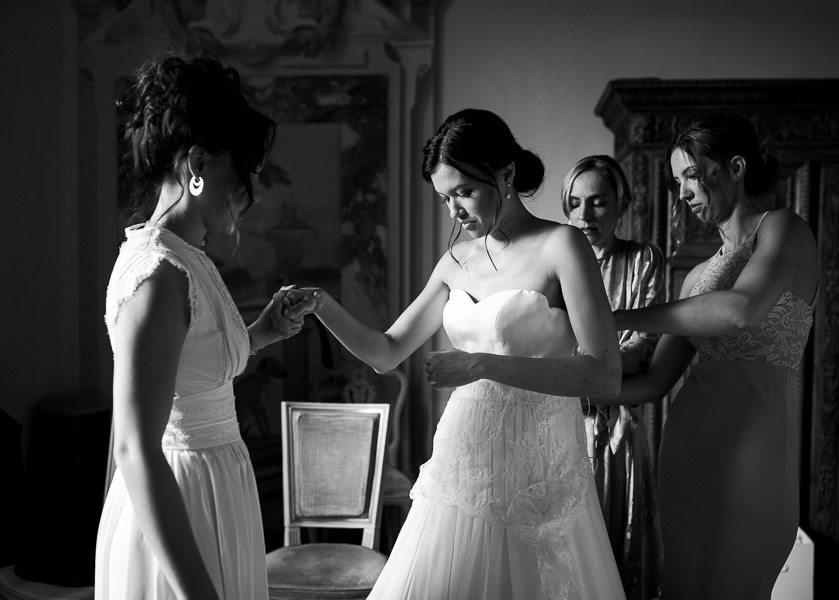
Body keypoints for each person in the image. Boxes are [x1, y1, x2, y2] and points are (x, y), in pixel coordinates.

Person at [283, 108, 627, 599]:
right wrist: (321, 305)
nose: (455, 212)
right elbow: (386, 351)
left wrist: (480, 365)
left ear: (506, 174)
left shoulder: (562, 246)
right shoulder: (454, 262)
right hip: (463, 460)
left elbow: (603, 375)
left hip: (540, 466)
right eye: (445, 197)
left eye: (464, 192)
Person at [95, 50, 303, 600]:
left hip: (215, 492)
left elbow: (190, 370)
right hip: (182, 504)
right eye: (243, 171)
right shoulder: (159, 273)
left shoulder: (187, 256)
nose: (247, 194)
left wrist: (260, 333)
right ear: (199, 164)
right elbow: (133, 447)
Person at [602, 114, 818, 600]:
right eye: (674, 181)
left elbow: (741, 312)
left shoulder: (784, 229)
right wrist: (565, 386)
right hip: (686, 451)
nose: (680, 193)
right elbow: (654, 383)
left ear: (734, 167)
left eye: (689, 176)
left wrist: (614, 317)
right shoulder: (696, 276)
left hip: (754, 451)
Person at [561, 155, 664, 600]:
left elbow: (642, 347)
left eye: (598, 202)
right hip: (562, 423)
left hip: (619, 428)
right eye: (576, 203)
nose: (585, 215)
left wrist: (583, 372)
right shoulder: (557, 262)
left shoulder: (644, 259)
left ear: (620, 204)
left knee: (619, 542)